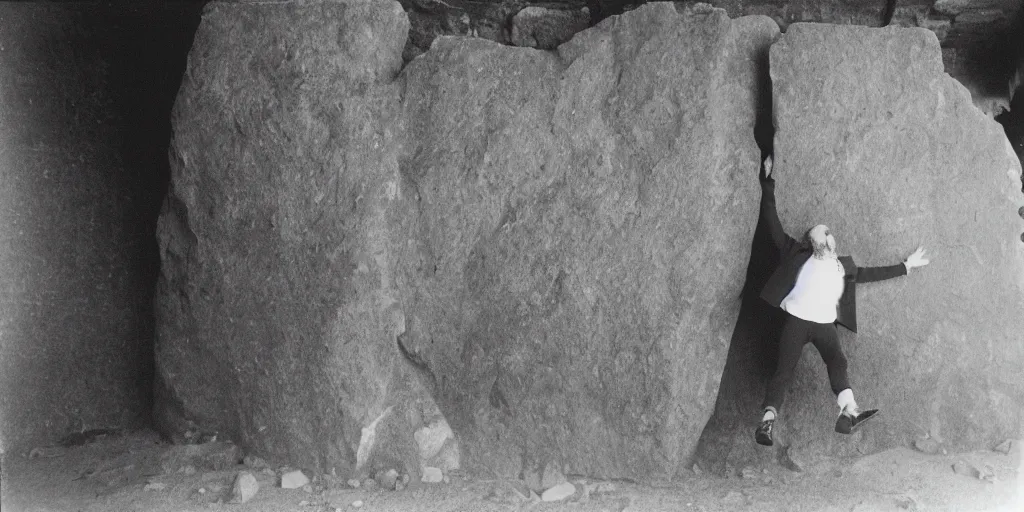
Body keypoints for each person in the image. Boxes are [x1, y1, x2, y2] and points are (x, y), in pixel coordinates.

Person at [754, 155, 930, 446]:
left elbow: (868, 273)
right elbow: (772, 220)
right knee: (783, 372)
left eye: (829, 233)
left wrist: (905, 267)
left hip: (825, 326)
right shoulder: (796, 252)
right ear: (812, 241)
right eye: (823, 232)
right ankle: (766, 422)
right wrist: (767, 180)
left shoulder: (842, 266)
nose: (828, 235)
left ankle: (849, 413)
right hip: (796, 322)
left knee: (838, 361)